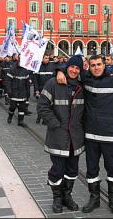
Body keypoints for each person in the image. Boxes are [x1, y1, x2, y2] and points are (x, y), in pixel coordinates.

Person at [57, 55, 113, 215]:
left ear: (105, 65)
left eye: (99, 64)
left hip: (109, 134)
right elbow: (73, 68)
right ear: (89, 67)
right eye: (93, 65)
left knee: (112, 168)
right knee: (91, 169)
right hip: (91, 134)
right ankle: (94, 198)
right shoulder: (87, 80)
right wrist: (60, 70)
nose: (96, 67)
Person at [37, 55, 85, 213]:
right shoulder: (53, 83)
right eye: (72, 67)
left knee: (72, 170)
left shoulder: (82, 85)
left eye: (77, 68)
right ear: (67, 67)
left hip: (75, 138)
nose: (74, 70)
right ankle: (57, 198)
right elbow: (42, 106)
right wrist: (55, 124)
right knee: (57, 170)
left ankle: (67, 196)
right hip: (58, 136)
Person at [5, 55, 30, 127]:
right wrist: (9, 91)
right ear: (18, 60)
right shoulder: (12, 69)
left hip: (23, 93)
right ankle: (10, 116)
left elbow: (27, 83)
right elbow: (8, 81)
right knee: (12, 107)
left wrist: (28, 92)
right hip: (14, 92)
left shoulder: (25, 70)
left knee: (22, 108)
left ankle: (20, 121)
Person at [33, 53, 56, 124]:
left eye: (48, 58)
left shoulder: (52, 66)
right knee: (41, 105)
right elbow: (35, 80)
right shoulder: (38, 67)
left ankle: (45, 120)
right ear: (42, 59)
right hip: (40, 89)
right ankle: (39, 117)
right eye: (46, 58)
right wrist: (36, 90)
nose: (47, 60)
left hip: (49, 90)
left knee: (48, 105)